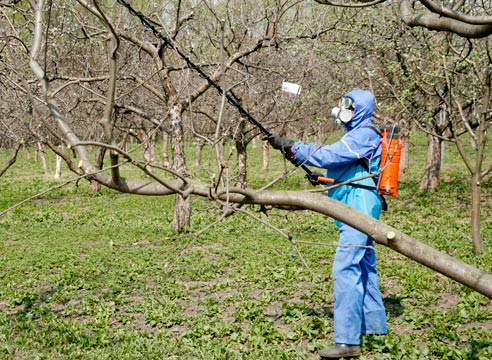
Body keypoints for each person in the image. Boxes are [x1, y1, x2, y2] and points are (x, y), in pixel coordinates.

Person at [265, 89, 387, 359]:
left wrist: (294, 146)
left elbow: (331, 156)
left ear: (362, 110)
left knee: (346, 267)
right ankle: (374, 327)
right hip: (357, 203)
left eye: (349, 107)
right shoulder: (357, 135)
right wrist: (321, 178)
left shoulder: (364, 133)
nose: (343, 111)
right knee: (364, 265)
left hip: (359, 208)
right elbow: (349, 170)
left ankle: (347, 341)